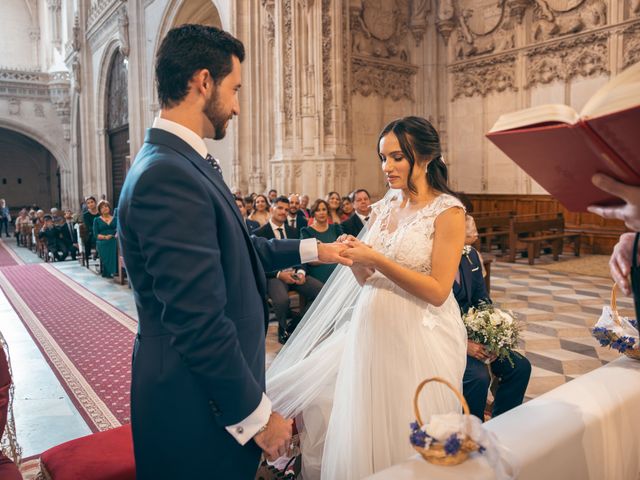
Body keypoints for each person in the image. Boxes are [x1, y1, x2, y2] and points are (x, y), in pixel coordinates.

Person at [116, 24, 350, 479]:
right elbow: (197, 319)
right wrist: (259, 420)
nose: (238, 105)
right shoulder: (167, 175)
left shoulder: (181, 163)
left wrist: (316, 249)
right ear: (204, 82)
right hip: (194, 404)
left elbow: (245, 249)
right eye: (235, 88)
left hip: (204, 396)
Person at [268, 116, 468, 479]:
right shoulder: (384, 208)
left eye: (396, 158)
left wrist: (375, 257)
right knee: (364, 419)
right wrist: (355, 257)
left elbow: (439, 291)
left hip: (420, 333)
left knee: (405, 421)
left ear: (424, 157)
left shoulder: (448, 212)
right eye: (383, 158)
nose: (386, 167)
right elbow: (368, 280)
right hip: (372, 322)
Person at [453, 246, 531, 421]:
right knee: (478, 376)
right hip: (449, 338)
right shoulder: (431, 258)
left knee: (519, 367)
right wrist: (463, 343)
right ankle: (471, 434)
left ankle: (502, 424)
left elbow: (482, 300)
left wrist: (493, 337)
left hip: (476, 332)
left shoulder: (470, 254)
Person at [254, 196, 322, 343]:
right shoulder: (260, 233)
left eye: (286, 209)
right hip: (275, 276)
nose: (283, 211)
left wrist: (301, 271)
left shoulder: (292, 231)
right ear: (271, 209)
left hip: (296, 273)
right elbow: (258, 262)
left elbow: (301, 253)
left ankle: (295, 325)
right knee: (282, 300)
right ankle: (282, 329)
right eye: (279, 208)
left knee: (321, 291)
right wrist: (279, 274)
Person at [300, 199, 344, 283]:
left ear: (328, 211)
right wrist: (332, 256)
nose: (321, 213)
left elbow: (342, 249)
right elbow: (309, 259)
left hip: (338, 268)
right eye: (318, 210)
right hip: (318, 271)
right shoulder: (306, 231)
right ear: (313, 213)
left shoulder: (335, 228)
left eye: (324, 209)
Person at [93, 200, 118, 278]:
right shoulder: (96, 220)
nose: (104, 208)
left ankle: (116, 270)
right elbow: (96, 234)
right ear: (99, 210)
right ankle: (110, 270)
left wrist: (115, 235)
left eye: (106, 206)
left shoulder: (116, 218)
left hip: (114, 238)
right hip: (102, 240)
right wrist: (105, 237)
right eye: (102, 207)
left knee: (114, 242)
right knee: (110, 243)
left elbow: (118, 229)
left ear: (109, 208)